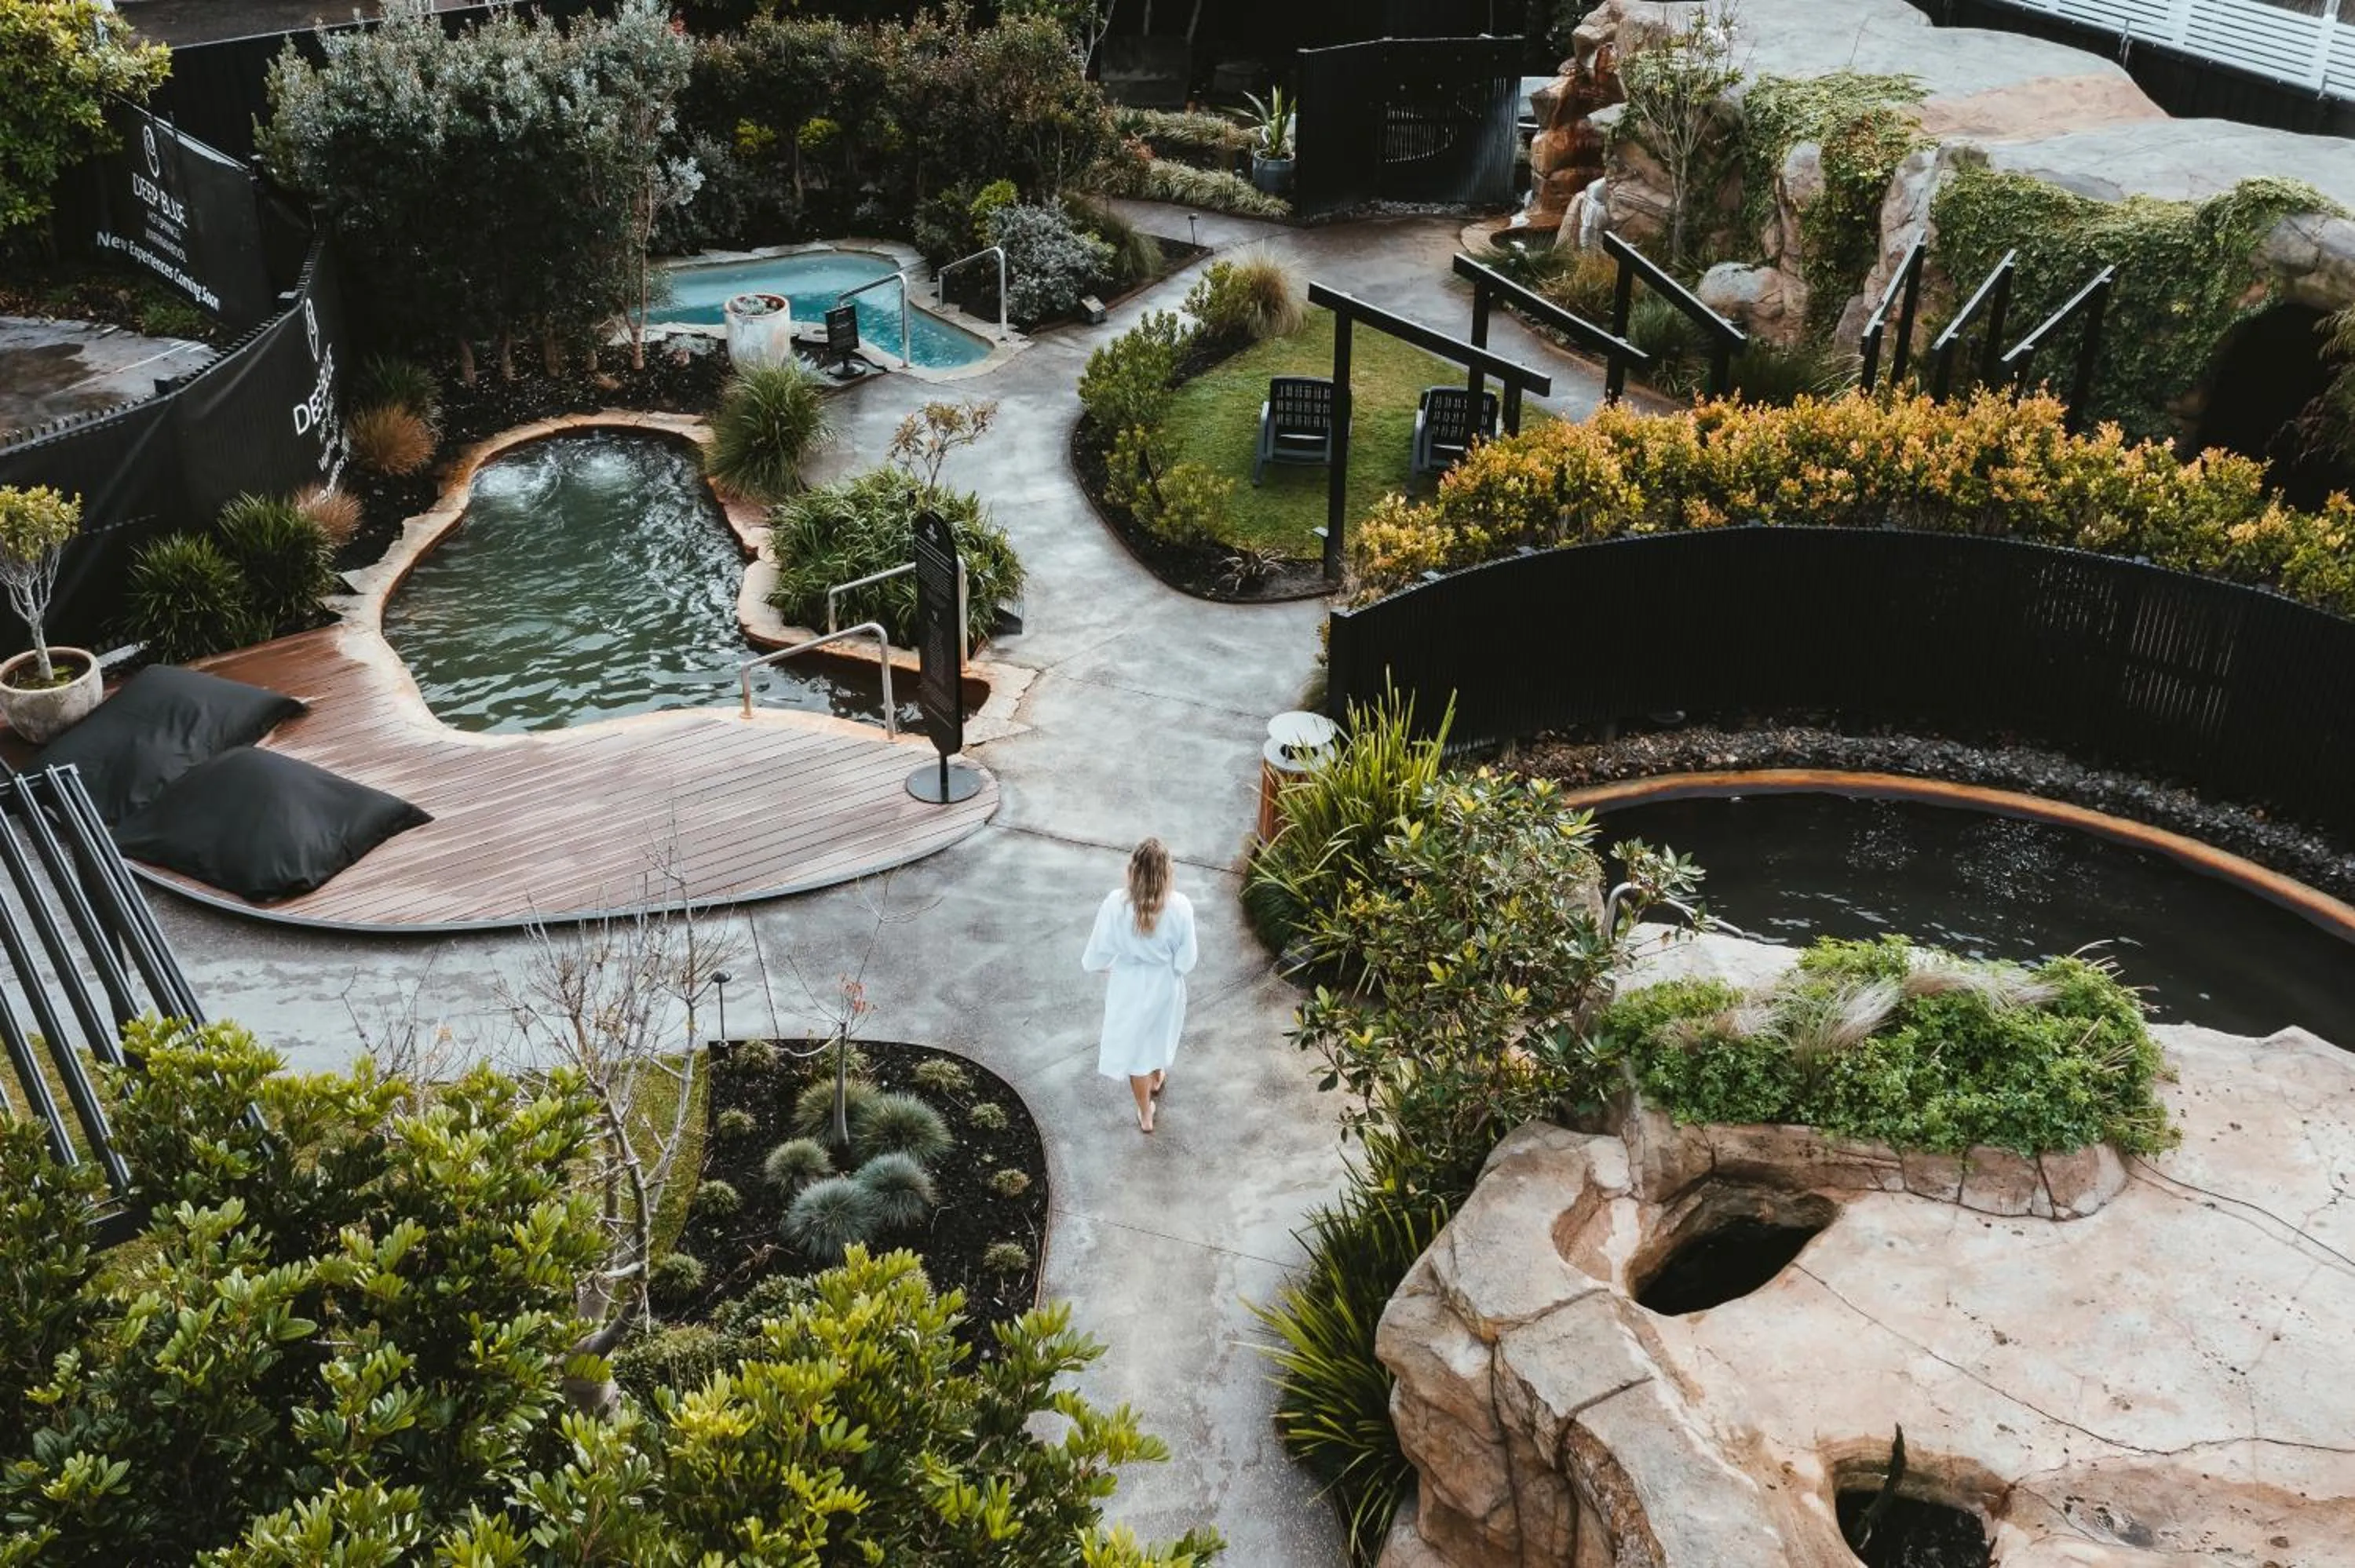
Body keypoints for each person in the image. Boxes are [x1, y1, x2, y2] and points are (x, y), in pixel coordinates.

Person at [1081, 837, 1198, 1134]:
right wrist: (1171, 967)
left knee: (1136, 1051)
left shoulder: (1115, 903)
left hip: (1129, 985)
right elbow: (1187, 960)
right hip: (1165, 984)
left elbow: (1095, 956)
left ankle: (1146, 1114)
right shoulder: (1181, 906)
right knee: (1158, 1034)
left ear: (1132, 870)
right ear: (1167, 873)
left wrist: (1112, 965)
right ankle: (1157, 1075)